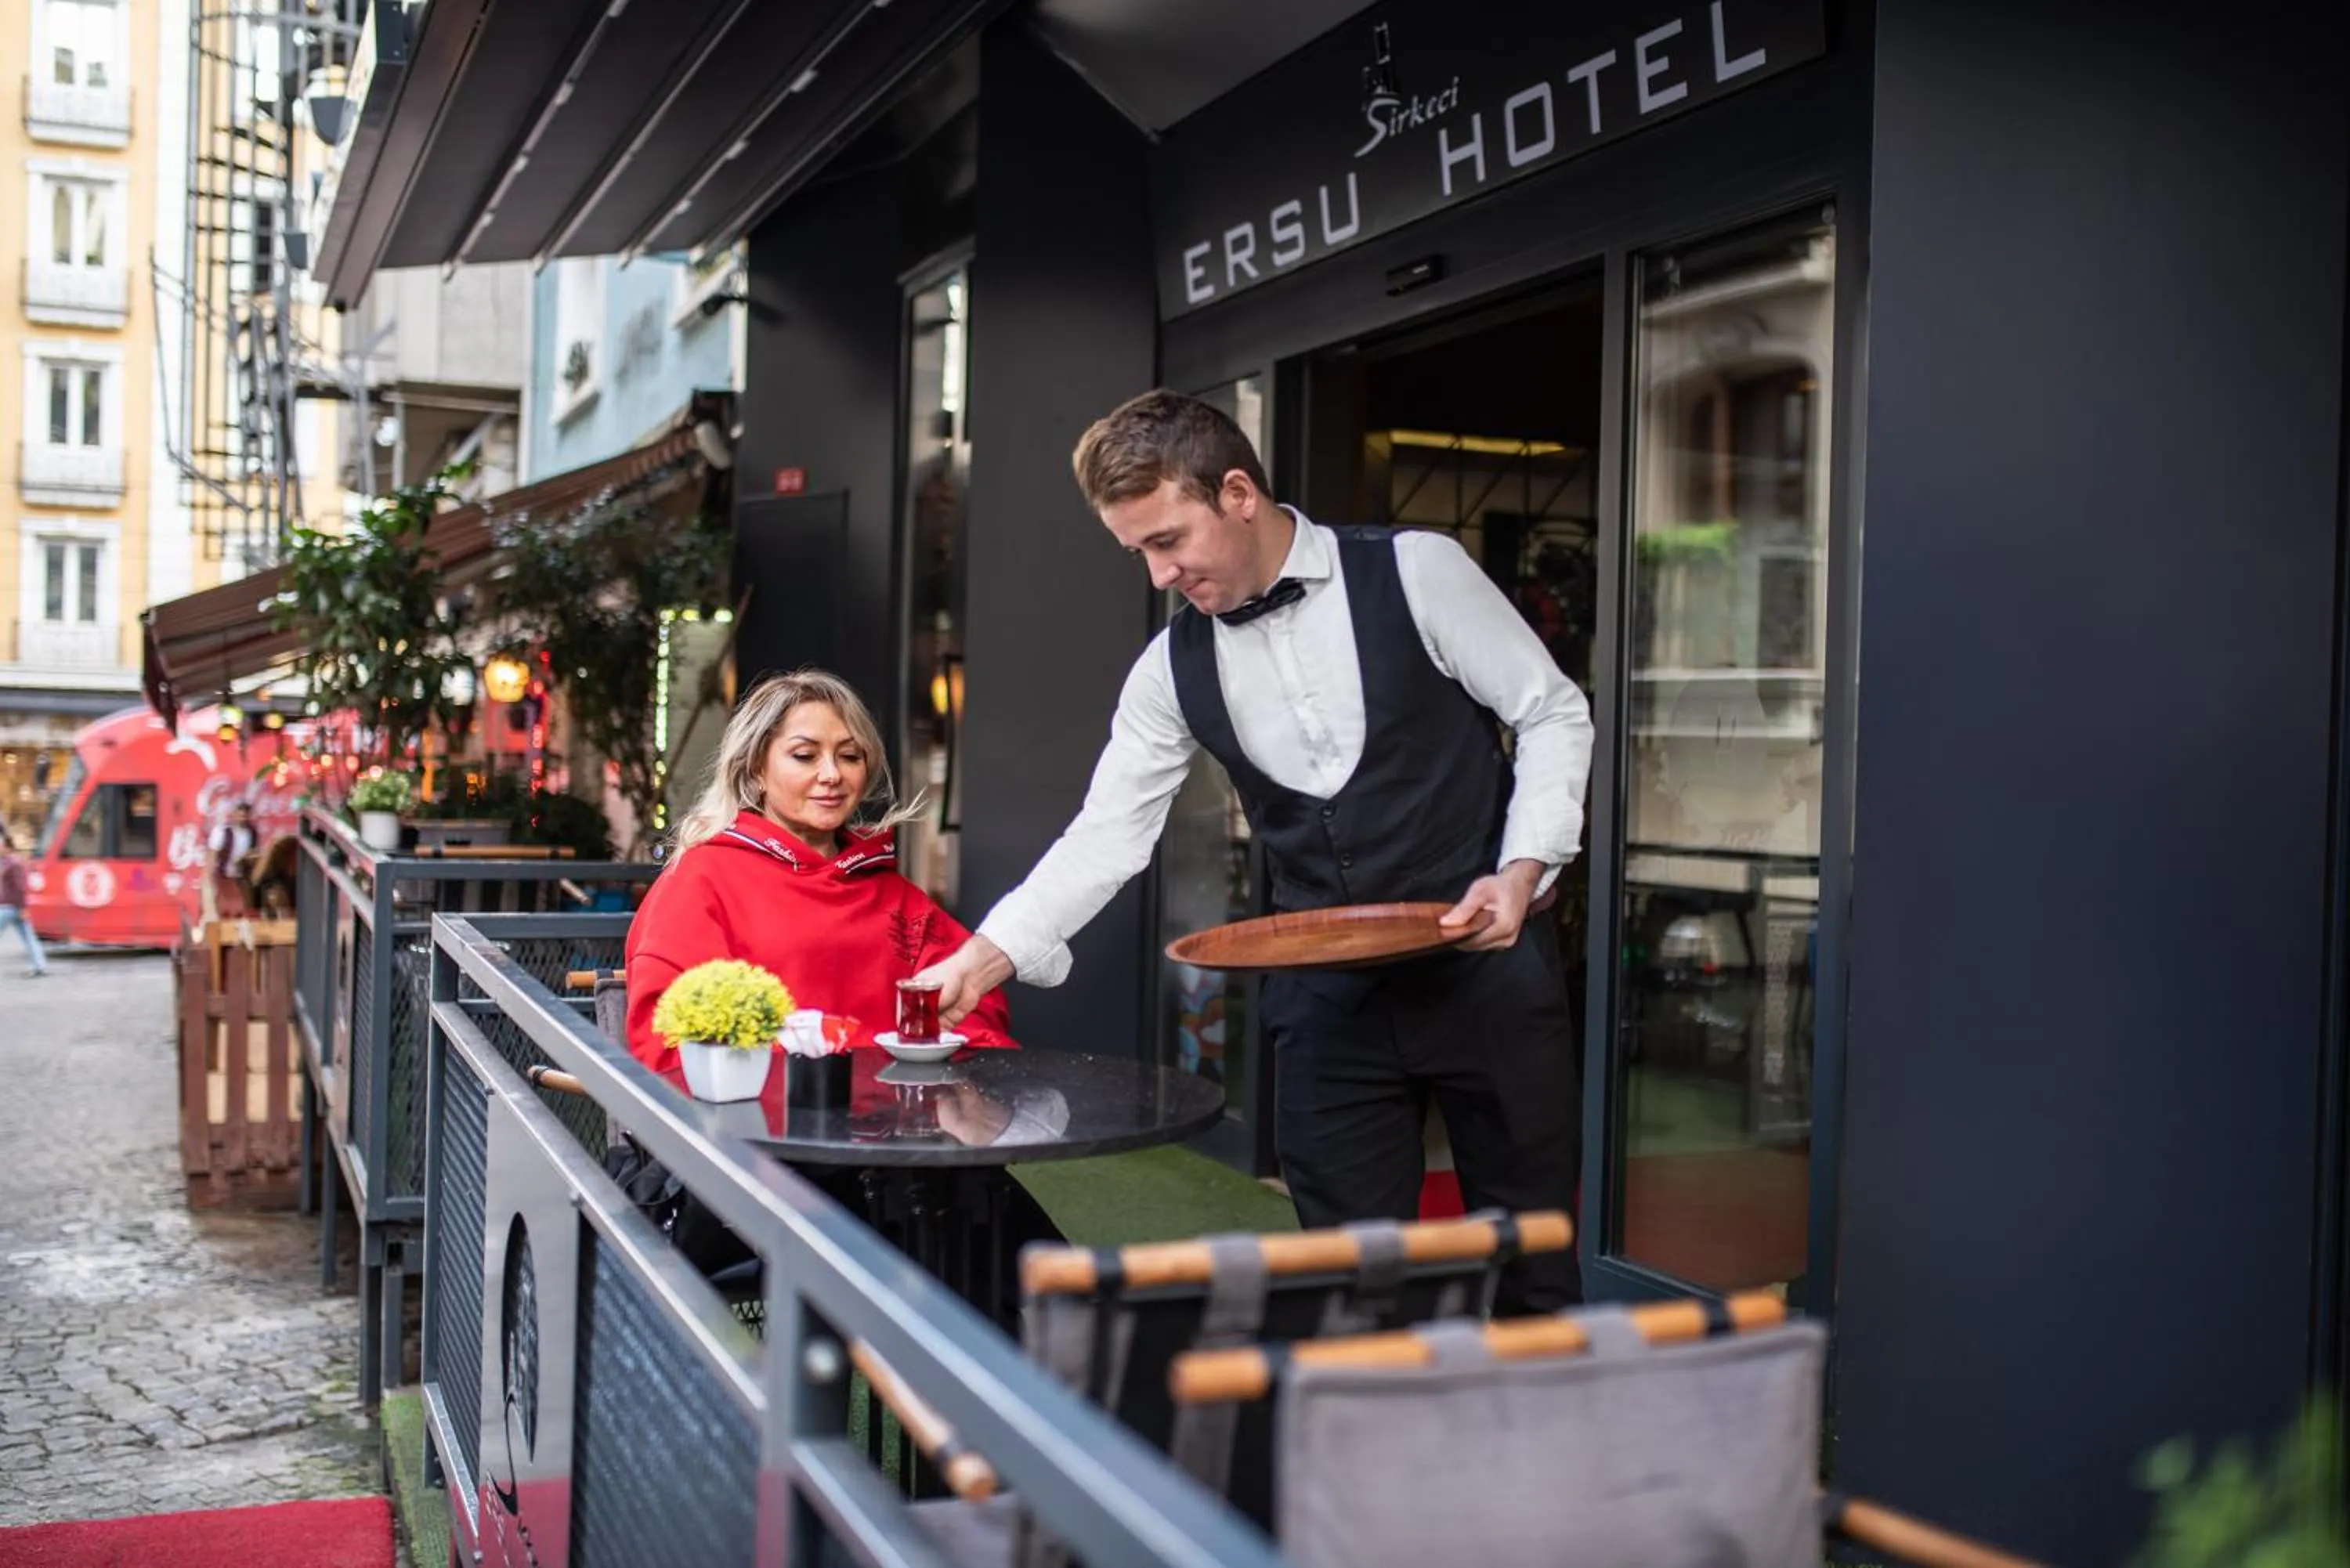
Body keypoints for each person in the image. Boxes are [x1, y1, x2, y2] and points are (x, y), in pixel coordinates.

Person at [916, 389, 1595, 1310]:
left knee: (1534, 1273)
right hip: (1327, 1003)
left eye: (1168, 541)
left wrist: (1522, 870)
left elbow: (1550, 711)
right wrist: (983, 957)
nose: (1161, 575)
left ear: (1237, 492)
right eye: (1138, 552)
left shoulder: (1418, 572)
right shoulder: (1169, 669)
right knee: (1354, 1289)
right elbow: (1108, 831)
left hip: (1487, 971)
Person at [624, 670, 1018, 1075]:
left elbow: (975, 1005)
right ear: (756, 768)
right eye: (805, 756)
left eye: (850, 756)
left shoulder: (893, 893)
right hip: (764, 1110)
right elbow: (668, 1043)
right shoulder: (700, 879)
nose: (832, 775)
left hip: (898, 1111)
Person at [0, 831, 50, 977]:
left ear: (7, 847)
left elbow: (19, 888)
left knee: (28, 937)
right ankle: (39, 966)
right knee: (29, 937)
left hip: (10, 907)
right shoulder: (7, 862)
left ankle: (39, 965)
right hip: (13, 907)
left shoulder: (13, 864)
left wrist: (22, 908)